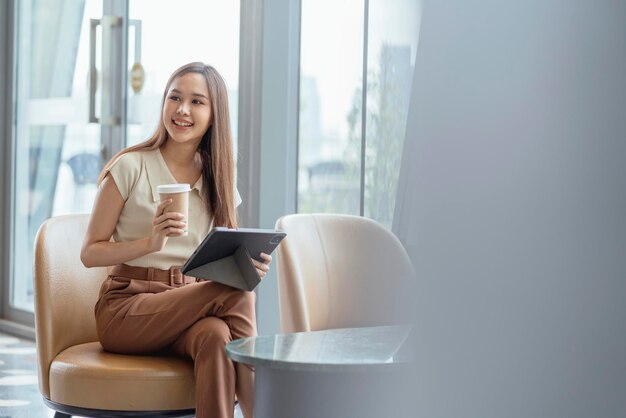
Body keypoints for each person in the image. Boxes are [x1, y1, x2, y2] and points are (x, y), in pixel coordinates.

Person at [80, 62, 271, 418]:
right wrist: (150, 243)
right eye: (175, 98)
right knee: (238, 292)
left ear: (214, 115)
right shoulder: (129, 166)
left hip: (187, 305)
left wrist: (250, 264)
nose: (183, 109)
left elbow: (225, 257)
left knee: (215, 334)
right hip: (126, 309)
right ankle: (259, 407)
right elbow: (89, 253)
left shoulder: (220, 180)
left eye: (197, 102)